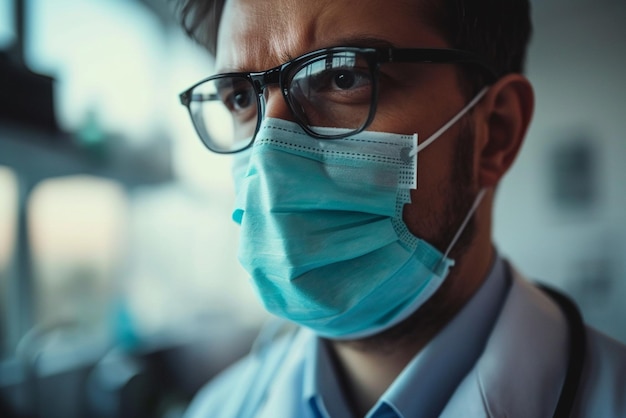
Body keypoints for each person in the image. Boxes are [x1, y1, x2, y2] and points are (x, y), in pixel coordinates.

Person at [176, 0, 626, 417]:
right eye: (239, 98)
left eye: (343, 76)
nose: (270, 158)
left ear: (495, 131)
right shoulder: (218, 407)